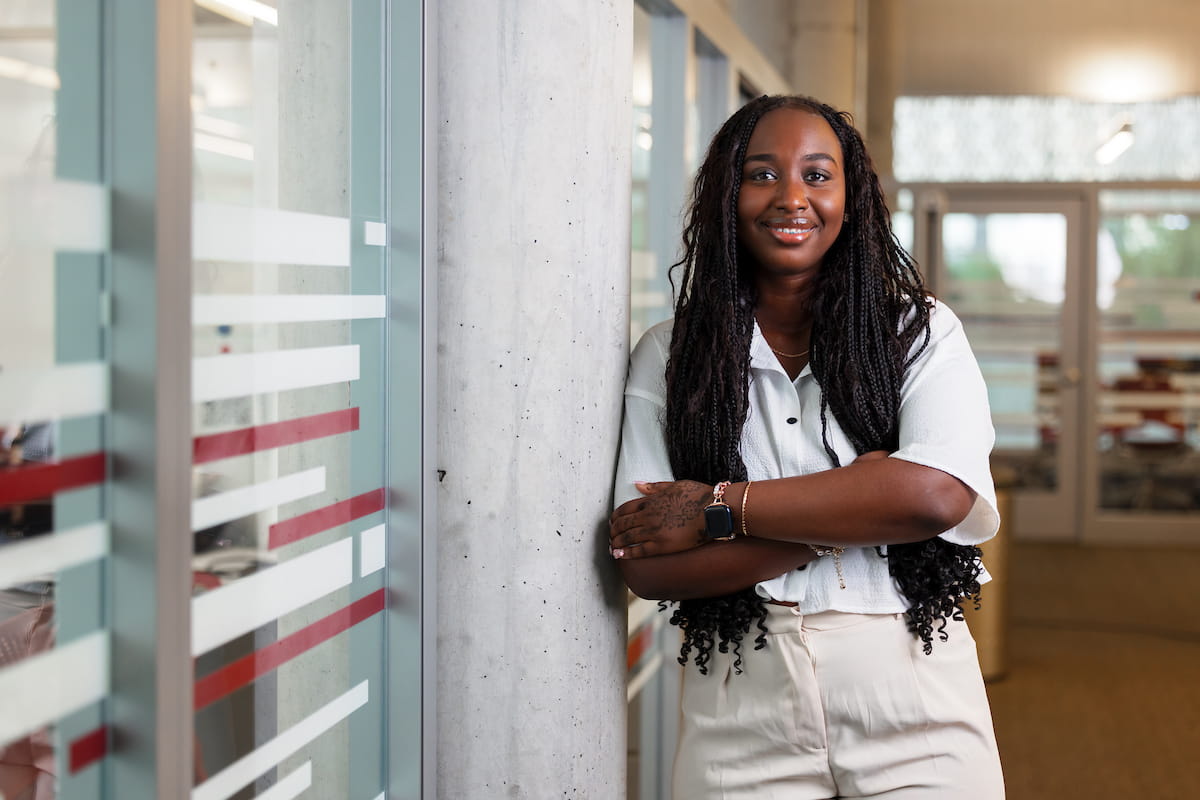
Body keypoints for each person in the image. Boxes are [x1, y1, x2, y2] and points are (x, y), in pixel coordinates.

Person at [609, 95, 1005, 799]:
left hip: (913, 694)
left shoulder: (919, 333)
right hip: (739, 700)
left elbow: (934, 496)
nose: (792, 196)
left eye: (818, 176)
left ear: (851, 199)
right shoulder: (670, 357)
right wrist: (851, 511)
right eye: (762, 174)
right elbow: (651, 567)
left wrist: (717, 508)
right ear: (725, 197)